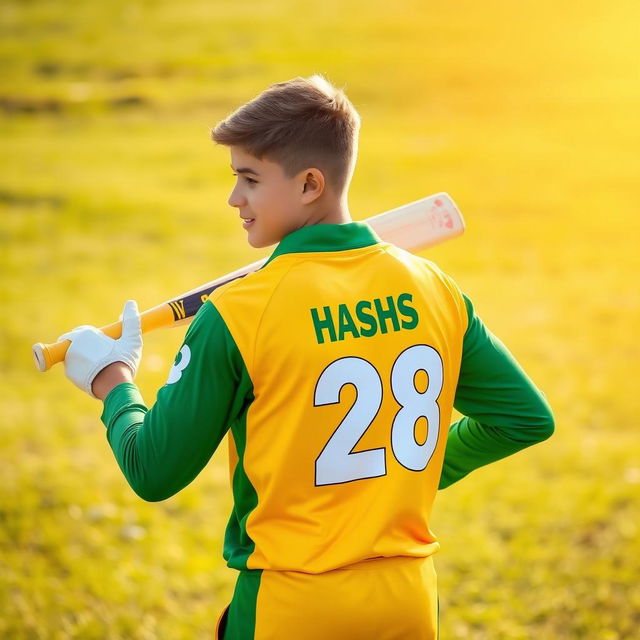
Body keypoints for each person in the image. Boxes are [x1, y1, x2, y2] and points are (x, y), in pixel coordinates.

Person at [59, 74, 555, 640]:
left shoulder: (240, 312)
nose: (233, 198)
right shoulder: (435, 287)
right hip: (409, 605)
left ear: (309, 184)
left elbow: (153, 470)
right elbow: (525, 419)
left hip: (290, 608)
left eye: (249, 179)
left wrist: (113, 381)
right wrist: (395, 477)